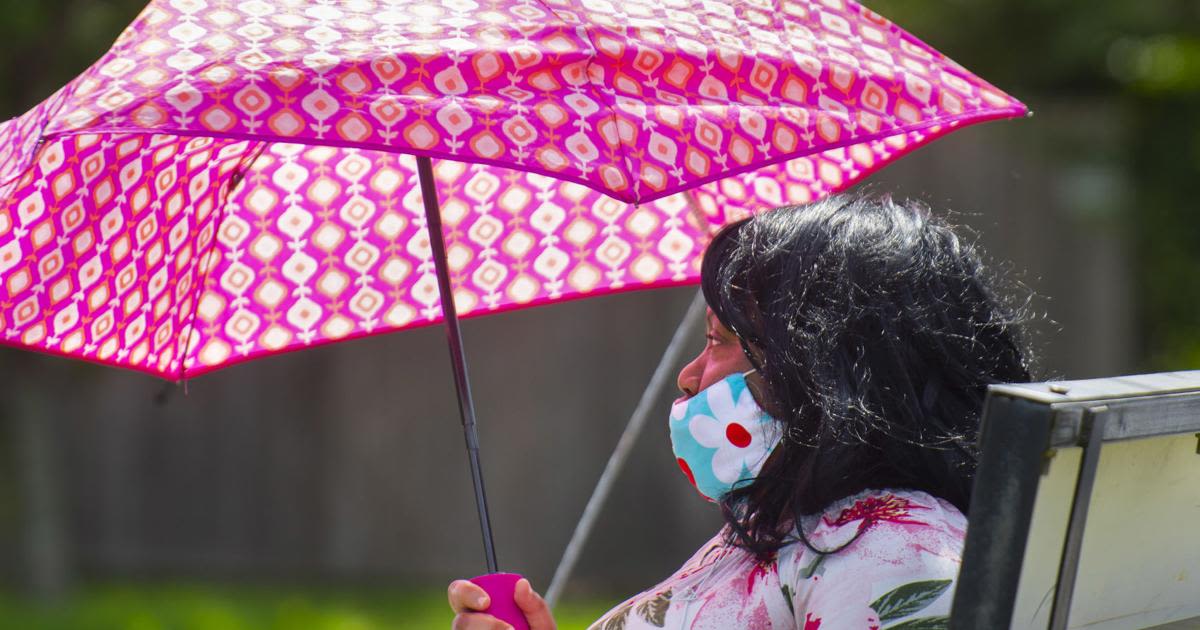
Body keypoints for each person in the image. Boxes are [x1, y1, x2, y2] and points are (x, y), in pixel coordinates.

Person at [448, 195, 1033, 629]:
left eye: (720, 340)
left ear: (824, 368)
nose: (689, 374)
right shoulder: (791, 531)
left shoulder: (896, 553)